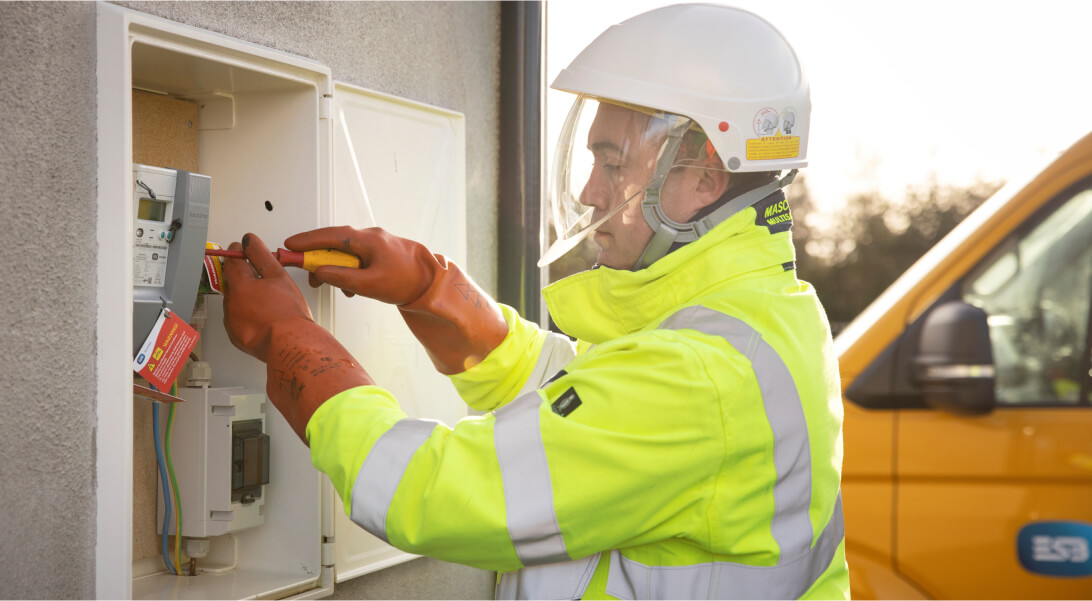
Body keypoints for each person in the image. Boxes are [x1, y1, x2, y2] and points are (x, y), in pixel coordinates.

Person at [221, 4, 849, 599]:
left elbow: (436, 492)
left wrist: (294, 344)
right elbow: (585, 398)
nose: (588, 189)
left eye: (612, 162)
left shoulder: (702, 377)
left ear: (702, 178)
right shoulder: (763, 315)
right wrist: (431, 291)